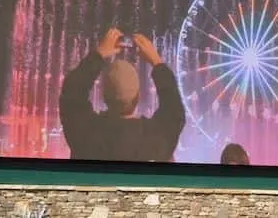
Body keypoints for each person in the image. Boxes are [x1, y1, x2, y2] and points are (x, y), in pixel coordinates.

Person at [59, 28, 184, 162]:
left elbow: (72, 93)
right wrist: (156, 61)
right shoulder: (156, 139)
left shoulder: (86, 135)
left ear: (103, 96)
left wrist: (98, 55)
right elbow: (173, 109)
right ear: (138, 97)